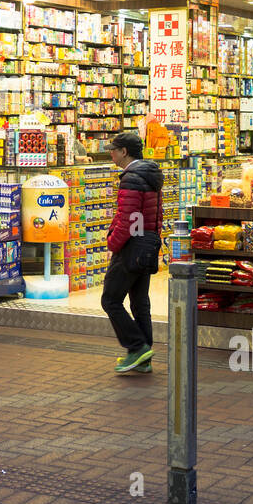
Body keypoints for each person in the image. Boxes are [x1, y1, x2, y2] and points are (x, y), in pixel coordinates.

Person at [102, 131, 163, 374]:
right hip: (147, 243)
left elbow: (128, 219)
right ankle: (143, 357)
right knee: (139, 302)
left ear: (124, 152)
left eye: (114, 149)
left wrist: (114, 243)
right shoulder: (150, 174)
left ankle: (136, 347)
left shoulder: (131, 178)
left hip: (132, 245)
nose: (111, 153)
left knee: (110, 299)